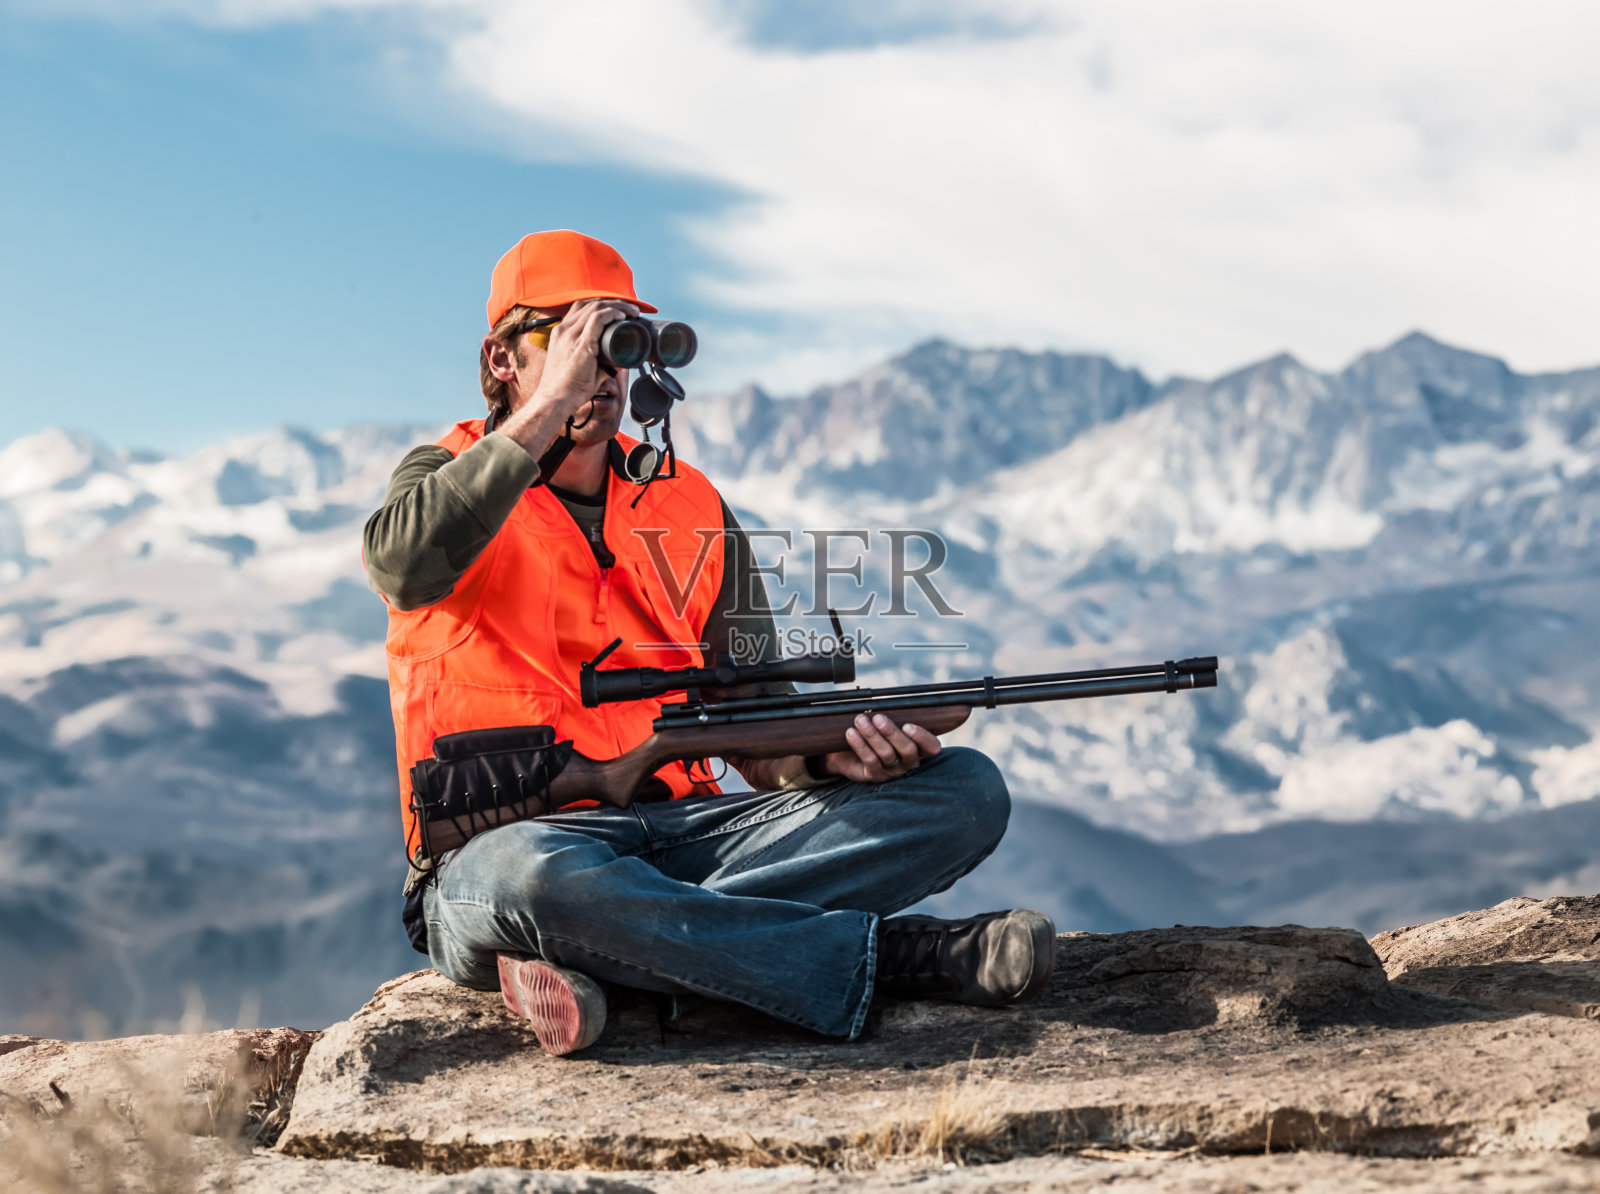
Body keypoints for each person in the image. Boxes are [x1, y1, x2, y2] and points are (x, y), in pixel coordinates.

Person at [364, 230, 1054, 1055]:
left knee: (966, 792)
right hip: (506, 854)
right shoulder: (446, 476)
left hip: (689, 837)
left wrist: (838, 762)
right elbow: (401, 565)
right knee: (533, 879)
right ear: (501, 358)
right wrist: (549, 407)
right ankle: (897, 959)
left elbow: (759, 721)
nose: (600, 365)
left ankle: (626, 961)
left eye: (617, 339)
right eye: (561, 334)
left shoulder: (688, 504)